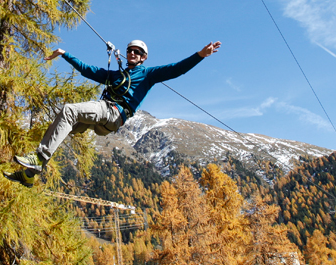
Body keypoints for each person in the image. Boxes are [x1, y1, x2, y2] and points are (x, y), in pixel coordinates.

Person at [13, 39, 222, 178]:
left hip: (114, 112)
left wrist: (200, 55)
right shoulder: (114, 75)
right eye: (130, 50)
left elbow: (176, 69)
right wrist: (65, 54)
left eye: (137, 51)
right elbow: (88, 70)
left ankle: (40, 158)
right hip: (106, 123)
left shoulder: (148, 74)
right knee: (66, 125)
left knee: (69, 110)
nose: (132, 53)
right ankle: (29, 175)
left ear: (143, 57)